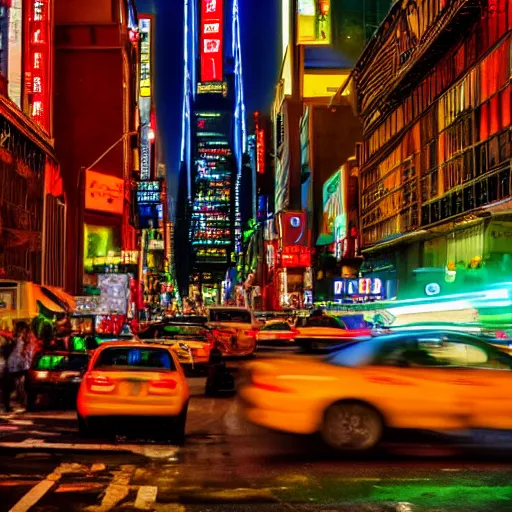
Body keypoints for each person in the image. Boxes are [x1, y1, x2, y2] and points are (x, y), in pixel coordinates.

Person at [3, 322, 34, 412]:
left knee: (9, 386)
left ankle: (9, 405)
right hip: (22, 365)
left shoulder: (19, 337)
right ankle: (28, 405)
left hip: (15, 364)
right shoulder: (27, 337)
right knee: (26, 386)